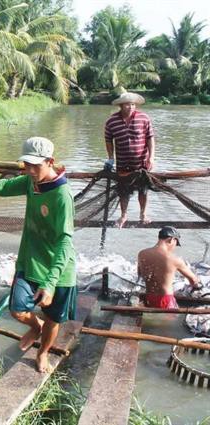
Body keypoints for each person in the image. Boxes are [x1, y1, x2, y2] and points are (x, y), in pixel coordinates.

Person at [0, 137, 77, 373]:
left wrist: (50, 284)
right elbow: (4, 187)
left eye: (35, 165)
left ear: (50, 162)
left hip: (58, 270)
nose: (30, 171)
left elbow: (65, 241)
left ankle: (42, 354)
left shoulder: (62, 195)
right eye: (26, 165)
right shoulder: (32, 182)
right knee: (17, 309)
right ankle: (35, 327)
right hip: (30, 260)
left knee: (54, 320)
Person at [104, 92, 156, 228]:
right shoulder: (111, 121)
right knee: (123, 191)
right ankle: (123, 215)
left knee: (143, 190)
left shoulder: (143, 118)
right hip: (122, 163)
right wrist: (110, 158)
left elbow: (150, 138)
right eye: (127, 104)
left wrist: (151, 157)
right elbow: (108, 140)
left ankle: (143, 214)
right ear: (121, 105)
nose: (130, 107)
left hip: (141, 163)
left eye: (133, 104)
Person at [137, 226, 201, 309]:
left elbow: (140, 273)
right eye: (176, 243)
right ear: (171, 239)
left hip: (149, 298)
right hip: (165, 300)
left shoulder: (142, 254)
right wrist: (197, 285)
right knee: (169, 320)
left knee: (152, 320)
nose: (174, 247)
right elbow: (193, 280)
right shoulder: (174, 259)